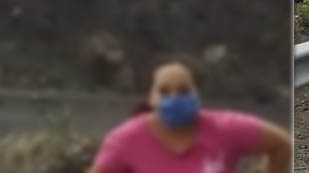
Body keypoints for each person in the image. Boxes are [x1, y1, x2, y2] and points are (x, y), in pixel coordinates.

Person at [89, 60, 291, 173]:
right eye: (165, 92)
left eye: (183, 90)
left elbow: (280, 144)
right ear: (151, 97)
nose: (175, 99)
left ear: (196, 94)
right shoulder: (125, 139)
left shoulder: (225, 128)